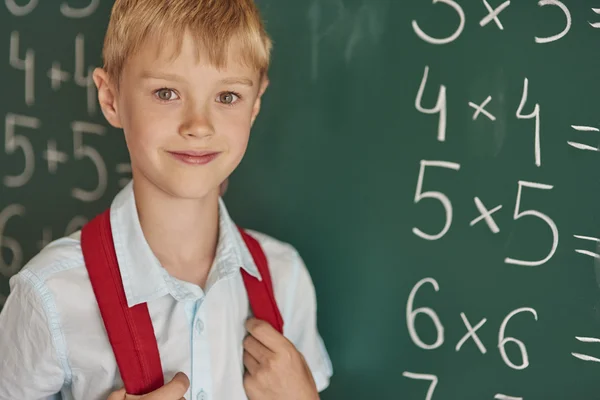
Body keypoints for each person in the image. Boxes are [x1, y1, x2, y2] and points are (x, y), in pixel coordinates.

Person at [0, 1, 333, 399]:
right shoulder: (50, 294)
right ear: (110, 99)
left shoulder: (284, 278)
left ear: (256, 103)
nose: (199, 125)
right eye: (166, 92)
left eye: (227, 96)